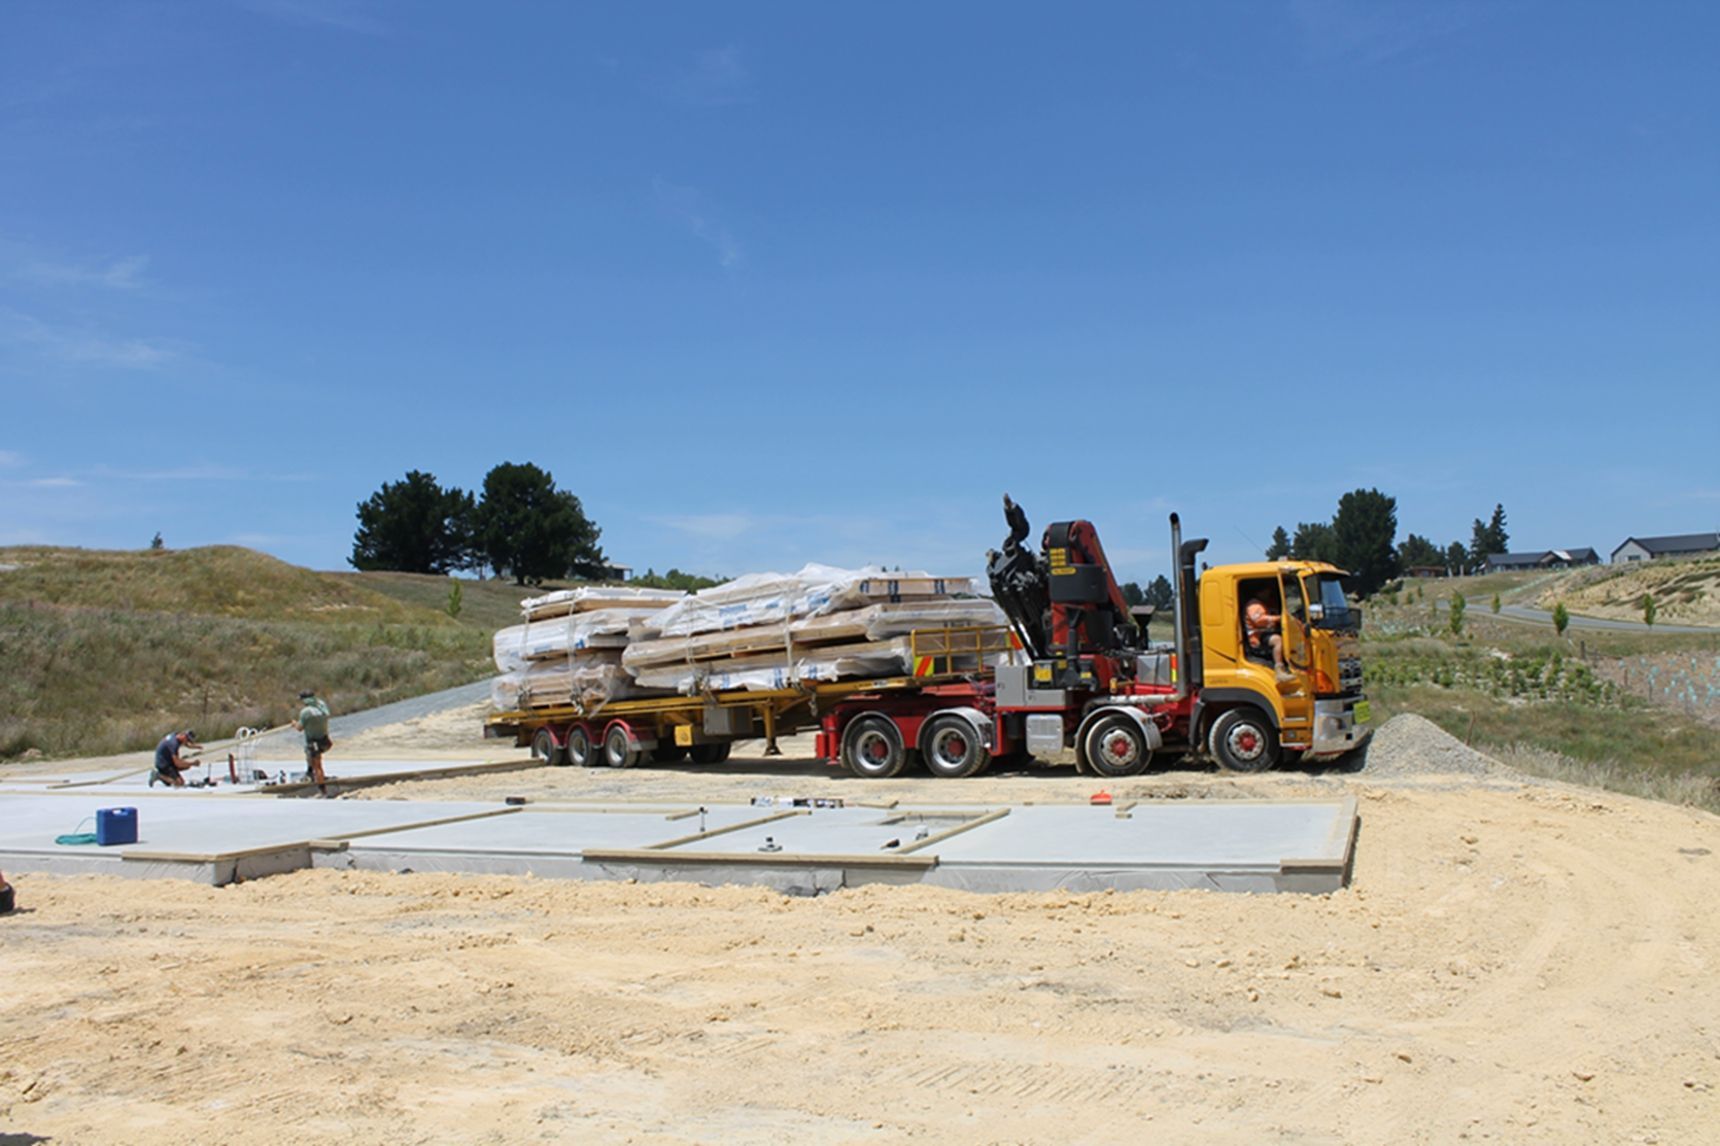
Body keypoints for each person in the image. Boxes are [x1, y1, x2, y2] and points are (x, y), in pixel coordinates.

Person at [291, 689, 333, 797]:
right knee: (309, 756)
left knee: (317, 766)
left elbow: (300, 728)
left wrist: (294, 724)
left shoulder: (306, 712)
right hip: (325, 740)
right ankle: (310, 772)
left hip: (314, 743)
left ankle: (322, 790)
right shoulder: (322, 707)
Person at [1244, 597, 1294, 683]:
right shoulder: (1254, 605)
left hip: (1263, 633)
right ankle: (1279, 671)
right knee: (1277, 640)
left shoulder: (1262, 604)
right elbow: (1258, 620)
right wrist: (1278, 618)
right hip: (1257, 637)